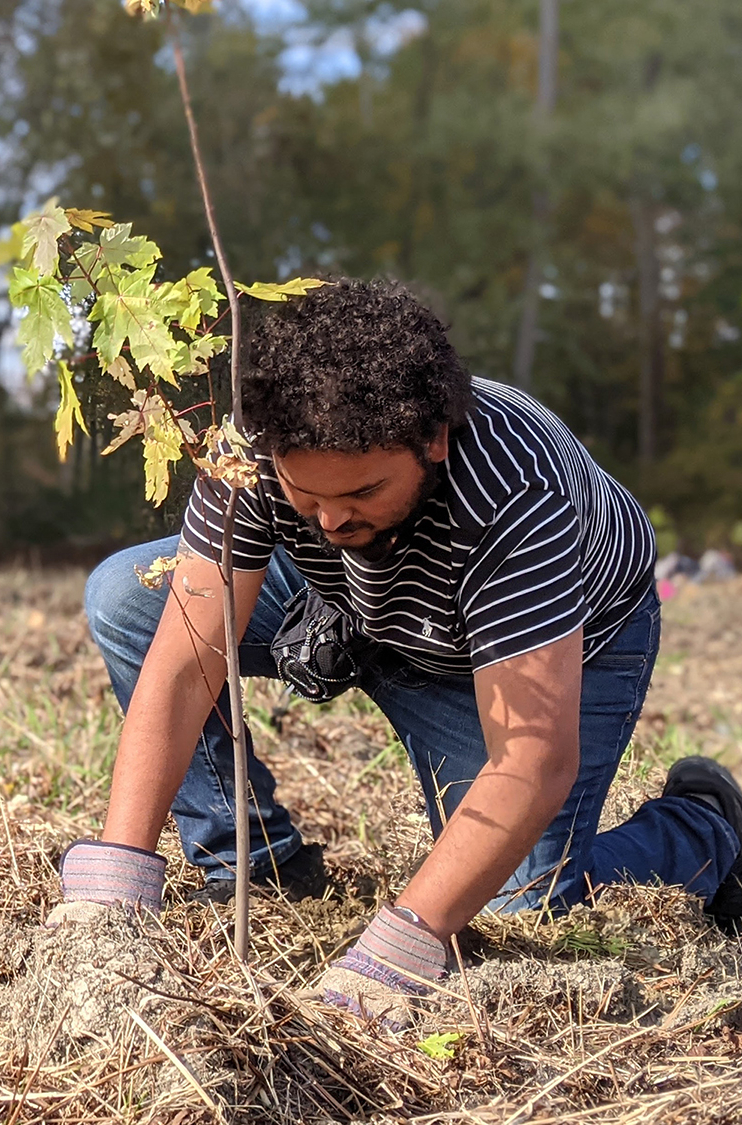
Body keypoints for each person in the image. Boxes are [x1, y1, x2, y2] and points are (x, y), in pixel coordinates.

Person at [56, 278, 742, 1027]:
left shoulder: (514, 491)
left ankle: (703, 825)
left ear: (433, 441)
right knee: (129, 597)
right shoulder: (254, 448)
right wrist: (112, 892)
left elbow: (533, 760)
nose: (328, 518)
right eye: (304, 495)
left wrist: (400, 946)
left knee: (524, 901)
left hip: (538, 639)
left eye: (360, 491)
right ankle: (253, 859)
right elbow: (188, 661)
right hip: (363, 602)